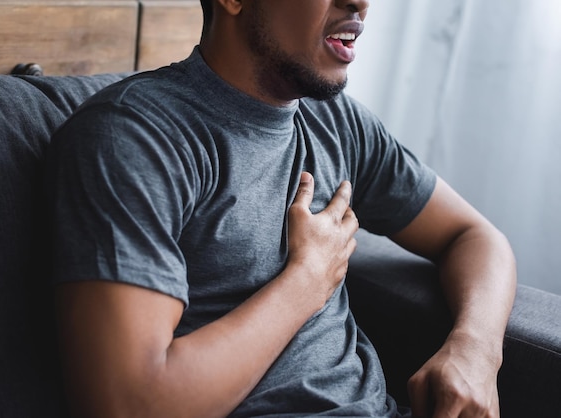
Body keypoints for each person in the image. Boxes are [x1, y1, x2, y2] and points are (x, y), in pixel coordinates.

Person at [45, 0, 517, 417]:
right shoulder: (136, 138)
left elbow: (475, 236)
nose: (360, 3)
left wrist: (474, 351)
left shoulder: (335, 120)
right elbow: (130, 405)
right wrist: (307, 280)